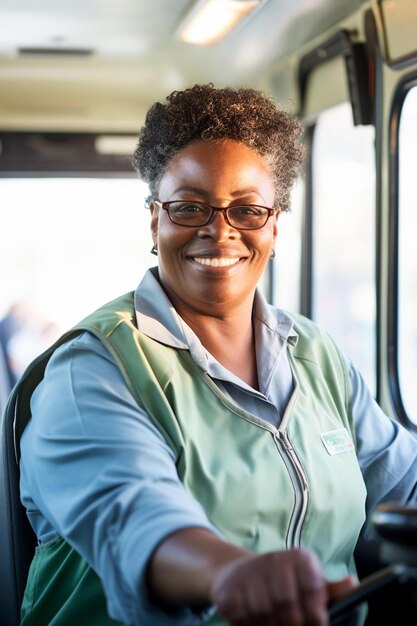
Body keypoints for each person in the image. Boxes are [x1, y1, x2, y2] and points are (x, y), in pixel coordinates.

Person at [11, 84, 417, 626]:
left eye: (246, 210)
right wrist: (227, 572)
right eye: (189, 207)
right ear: (155, 220)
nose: (218, 231)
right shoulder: (92, 369)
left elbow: (401, 478)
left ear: (273, 225)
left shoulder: (316, 357)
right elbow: (132, 514)